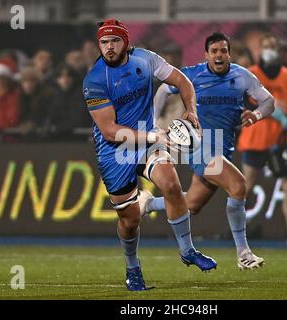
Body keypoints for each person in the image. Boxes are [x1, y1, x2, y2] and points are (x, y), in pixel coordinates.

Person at [82, 18, 216, 292]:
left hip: (146, 140)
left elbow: (182, 80)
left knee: (171, 185)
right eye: (104, 42)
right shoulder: (94, 80)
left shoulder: (146, 59)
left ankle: (187, 250)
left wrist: (192, 110)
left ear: (126, 42)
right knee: (129, 221)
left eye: (115, 41)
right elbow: (110, 131)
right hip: (114, 151)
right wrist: (156, 136)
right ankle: (132, 268)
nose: (109, 47)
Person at [141, 32, 274, 270]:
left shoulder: (243, 77)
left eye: (223, 51)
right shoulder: (192, 74)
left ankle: (149, 204)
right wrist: (153, 122)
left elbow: (269, 102)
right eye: (214, 51)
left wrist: (255, 114)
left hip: (223, 147)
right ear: (207, 55)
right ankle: (244, 253)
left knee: (191, 204)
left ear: (229, 54)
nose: (219, 55)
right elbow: (163, 90)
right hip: (199, 145)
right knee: (239, 185)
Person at [236, 33, 287, 247]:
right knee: (246, 187)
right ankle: (238, 229)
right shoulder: (251, 74)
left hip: (280, 139)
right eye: (266, 46)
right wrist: (273, 111)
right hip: (256, 137)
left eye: (273, 46)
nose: (270, 50)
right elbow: (243, 103)